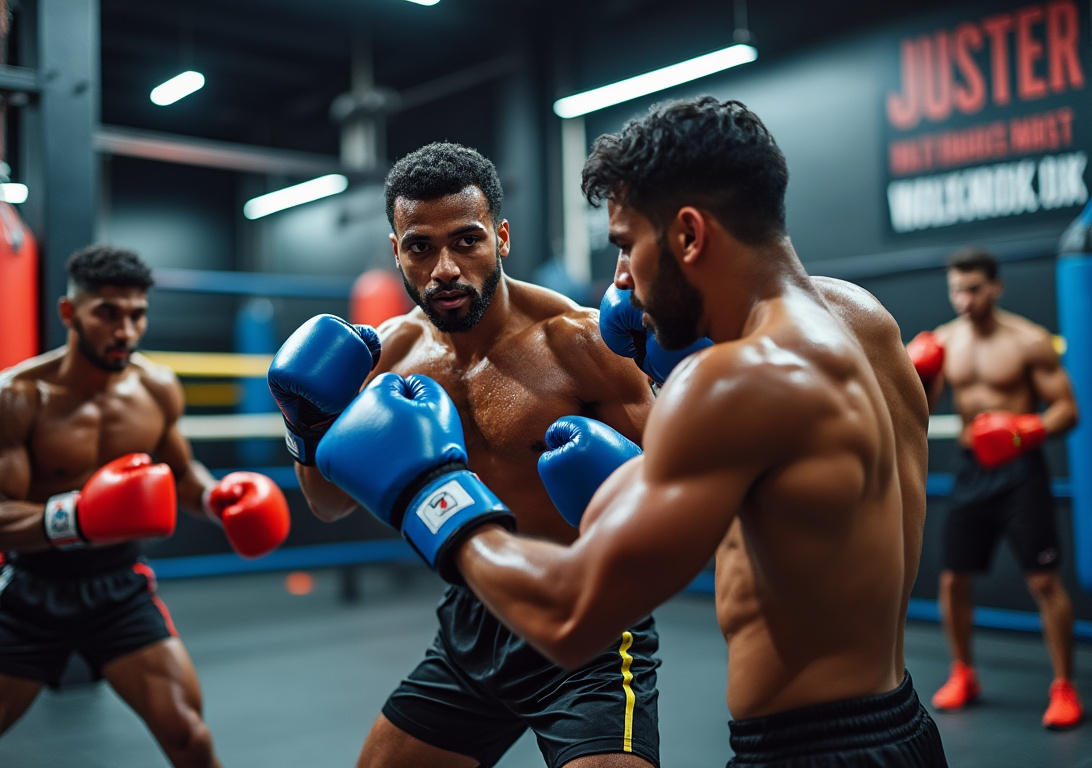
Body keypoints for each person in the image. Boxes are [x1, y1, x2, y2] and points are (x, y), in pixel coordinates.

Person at [313, 97, 948, 767]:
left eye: (625, 245)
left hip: (807, 750)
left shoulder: (729, 382)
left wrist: (430, 490)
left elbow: (568, 615)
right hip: (901, 723)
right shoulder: (863, 322)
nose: (620, 280)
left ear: (689, 236)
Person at [268, 142, 666, 768]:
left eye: (467, 241)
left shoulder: (580, 343)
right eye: (421, 247)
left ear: (502, 238)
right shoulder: (388, 358)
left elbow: (682, 484)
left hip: (586, 621)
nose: (445, 268)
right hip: (473, 621)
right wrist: (305, 423)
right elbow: (326, 503)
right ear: (397, 250)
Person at [0, 245, 291, 768]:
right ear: (70, 313)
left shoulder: (156, 387)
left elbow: (181, 473)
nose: (125, 331)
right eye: (108, 314)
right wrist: (81, 516)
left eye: (136, 315)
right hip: (32, 593)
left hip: (119, 588)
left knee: (189, 735)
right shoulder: (16, 397)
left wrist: (215, 498)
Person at [907, 247, 1083, 729]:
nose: (964, 300)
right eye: (957, 290)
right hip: (970, 469)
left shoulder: (1028, 340)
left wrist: (1023, 430)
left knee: (1044, 581)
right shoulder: (944, 340)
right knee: (953, 579)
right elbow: (920, 409)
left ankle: (1064, 686)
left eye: (974, 289)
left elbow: (1068, 409)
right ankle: (964, 672)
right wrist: (915, 374)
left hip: (1021, 470)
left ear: (996, 287)